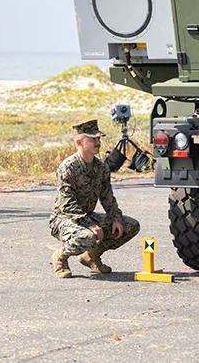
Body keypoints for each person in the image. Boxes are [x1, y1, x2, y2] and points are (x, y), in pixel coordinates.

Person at [49, 119, 140, 278]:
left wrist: (115, 218)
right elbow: (67, 205)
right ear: (79, 141)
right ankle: (61, 256)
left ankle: (91, 257)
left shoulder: (101, 167)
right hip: (63, 219)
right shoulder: (68, 168)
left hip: (87, 217)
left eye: (99, 138)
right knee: (87, 237)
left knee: (130, 225)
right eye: (93, 139)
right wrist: (91, 225)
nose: (98, 142)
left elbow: (108, 198)